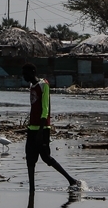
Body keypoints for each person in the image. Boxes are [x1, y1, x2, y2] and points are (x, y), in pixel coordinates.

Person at [23, 63, 79, 192]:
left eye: (25, 73)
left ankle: (71, 180)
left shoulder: (44, 85)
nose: (24, 76)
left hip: (42, 129)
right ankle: (32, 190)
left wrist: (41, 131)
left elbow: (45, 109)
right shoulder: (31, 86)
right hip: (32, 129)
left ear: (32, 72)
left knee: (46, 158)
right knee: (30, 160)